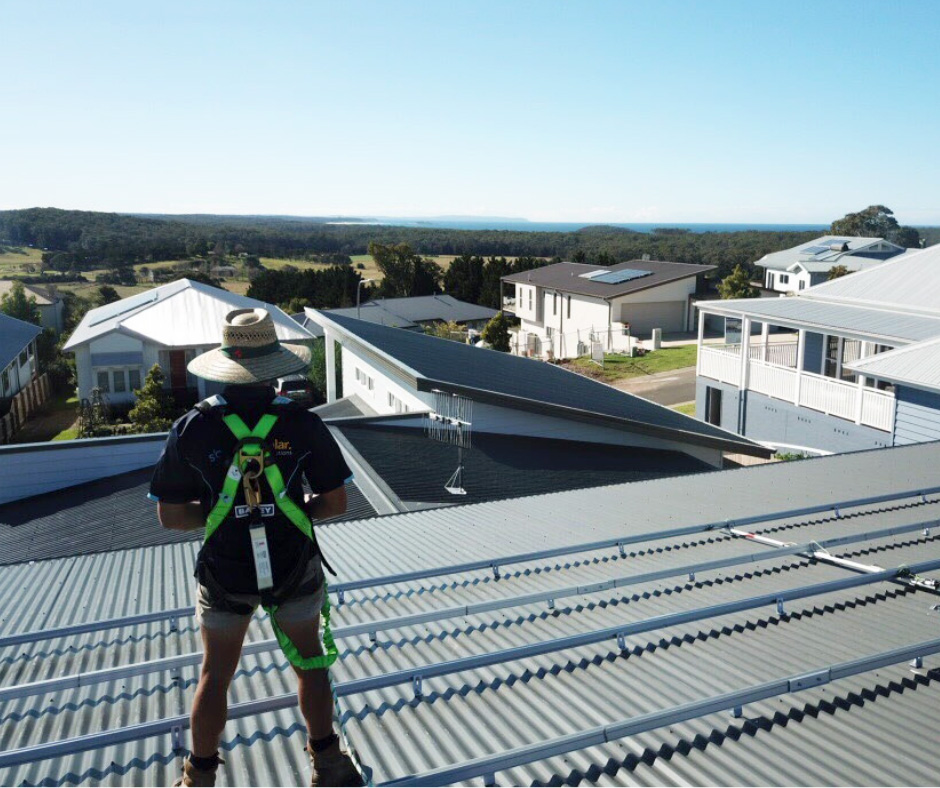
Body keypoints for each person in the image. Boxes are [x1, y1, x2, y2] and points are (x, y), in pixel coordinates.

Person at [149, 308, 362, 788]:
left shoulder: (191, 428)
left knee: (215, 674)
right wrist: (286, 511)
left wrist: (226, 519)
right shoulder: (303, 423)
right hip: (292, 566)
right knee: (310, 662)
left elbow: (171, 514)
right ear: (275, 364)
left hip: (225, 573)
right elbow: (335, 501)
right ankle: (328, 762)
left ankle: (199, 776)